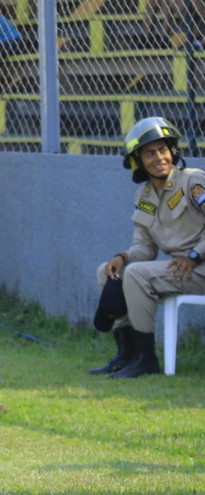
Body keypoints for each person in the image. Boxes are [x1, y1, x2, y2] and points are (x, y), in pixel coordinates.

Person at [94, 117, 205, 378]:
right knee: (109, 271)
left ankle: (147, 360)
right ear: (138, 162)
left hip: (198, 266)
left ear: (173, 152)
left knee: (136, 275)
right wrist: (124, 257)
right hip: (181, 270)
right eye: (149, 153)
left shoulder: (193, 181)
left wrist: (194, 255)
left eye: (163, 150)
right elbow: (145, 247)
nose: (159, 158)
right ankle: (127, 355)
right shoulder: (144, 197)